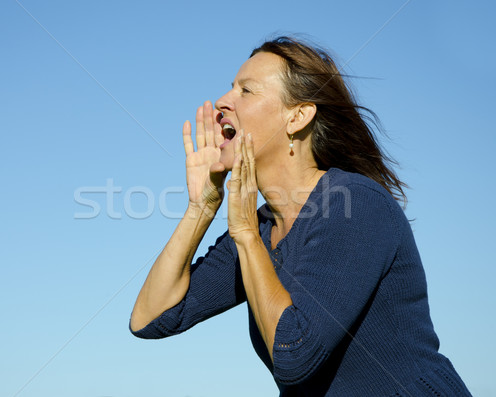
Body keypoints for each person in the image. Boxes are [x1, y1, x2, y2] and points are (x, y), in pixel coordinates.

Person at [129, 37, 471, 396]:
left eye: (246, 90)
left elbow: (295, 354)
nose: (222, 101)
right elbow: (150, 318)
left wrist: (245, 233)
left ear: (297, 117)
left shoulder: (354, 204)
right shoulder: (257, 229)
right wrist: (202, 208)